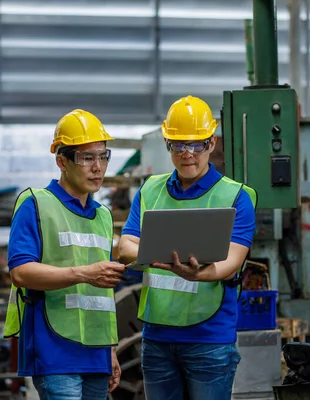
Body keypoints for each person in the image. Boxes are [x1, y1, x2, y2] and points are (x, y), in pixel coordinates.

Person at [117, 95, 257, 400]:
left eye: (196, 144)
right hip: (156, 338)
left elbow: (230, 264)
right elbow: (125, 247)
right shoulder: (150, 190)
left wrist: (197, 274)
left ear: (212, 143)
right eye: (178, 145)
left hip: (209, 340)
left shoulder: (237, 198)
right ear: (167, 143)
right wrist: (159, 258)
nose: (187, 154)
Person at [3, 109, 126, 400]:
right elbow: (20, 272)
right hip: (55, 352)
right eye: (87, 158)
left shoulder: (104, 216)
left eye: (103, 156)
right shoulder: (35, 203)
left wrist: (111, 350)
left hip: (96, 355)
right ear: (62, 161)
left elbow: (103, 295)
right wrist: (84, 274)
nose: (98, 167)